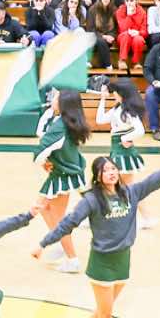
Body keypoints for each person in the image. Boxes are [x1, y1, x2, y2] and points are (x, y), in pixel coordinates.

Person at [36, 153, 160, 318]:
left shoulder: (131, 192)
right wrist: (43, 244)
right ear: (98, 176)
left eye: (113, 168)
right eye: (105, 170)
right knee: (107, 313)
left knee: (104, 308)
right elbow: (68, 223)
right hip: (102, 264)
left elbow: (159, 178)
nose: (111, 172)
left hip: (123, 261)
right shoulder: (92, 200)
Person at [33, 89, 91, 271]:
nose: (53, 99)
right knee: (43, 208)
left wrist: (42, 161)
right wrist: (50, 111)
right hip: (66, 172)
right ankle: (59, 241)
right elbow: (41, 132)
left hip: (62, 175)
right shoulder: (67, 121)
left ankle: (72, 259)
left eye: (56, 98)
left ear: (63, 104)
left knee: (57, 219)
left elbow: (41, 150)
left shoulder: (60, 126)